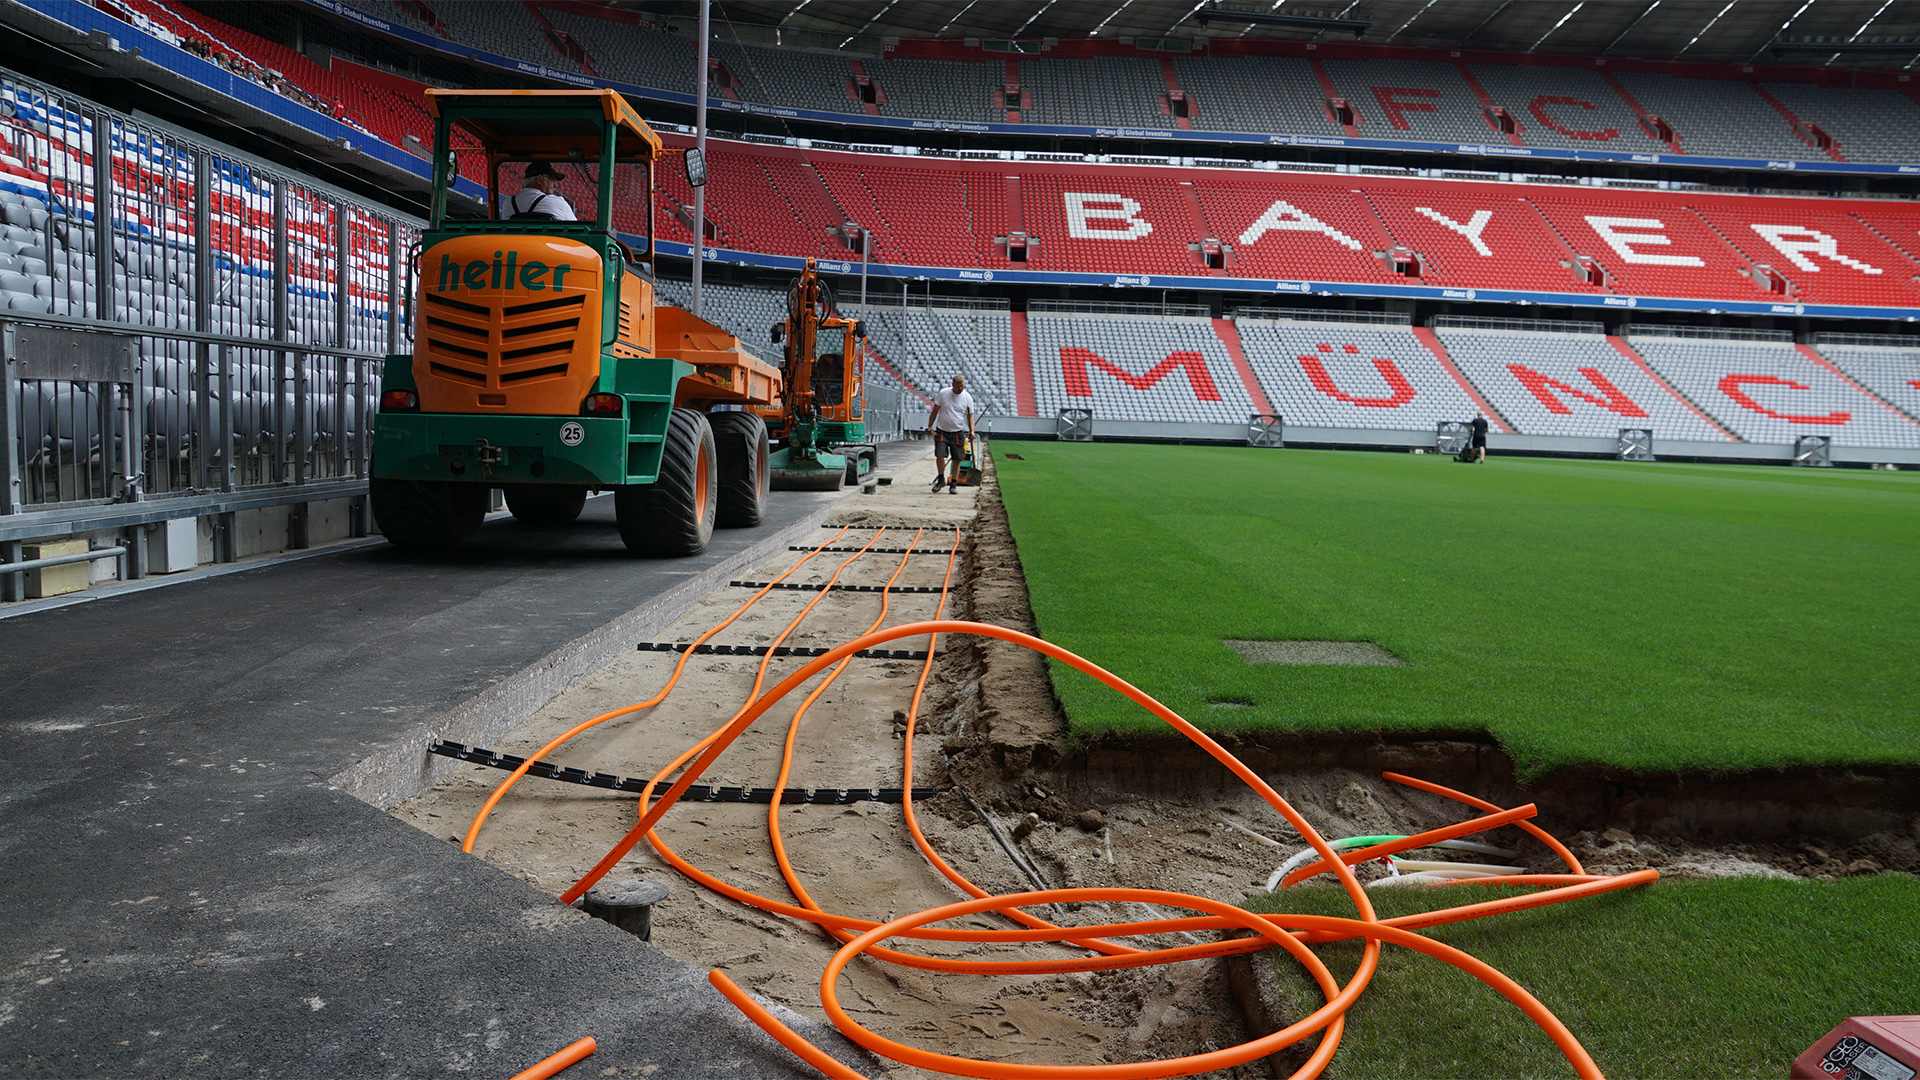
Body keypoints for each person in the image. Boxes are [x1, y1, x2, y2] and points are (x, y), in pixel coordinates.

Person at [927, 374, 975, 494]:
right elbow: (935, 410)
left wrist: (972, 430)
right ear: (953, 384)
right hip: (942, 430)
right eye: (958, 386)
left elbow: (970, 415)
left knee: (957, 459)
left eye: (962, 386)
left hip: (958, 431)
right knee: (939, 455)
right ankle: (941, 479)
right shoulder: (943, 393)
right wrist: (930, 425)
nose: (960, 389)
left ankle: (953, 483)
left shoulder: (967, 397)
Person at [503, 161, 576, 221]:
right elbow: (575, 230)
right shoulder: (558, 202)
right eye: (552, 180)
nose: (555, 185)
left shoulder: (509, 202)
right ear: (539, 179)